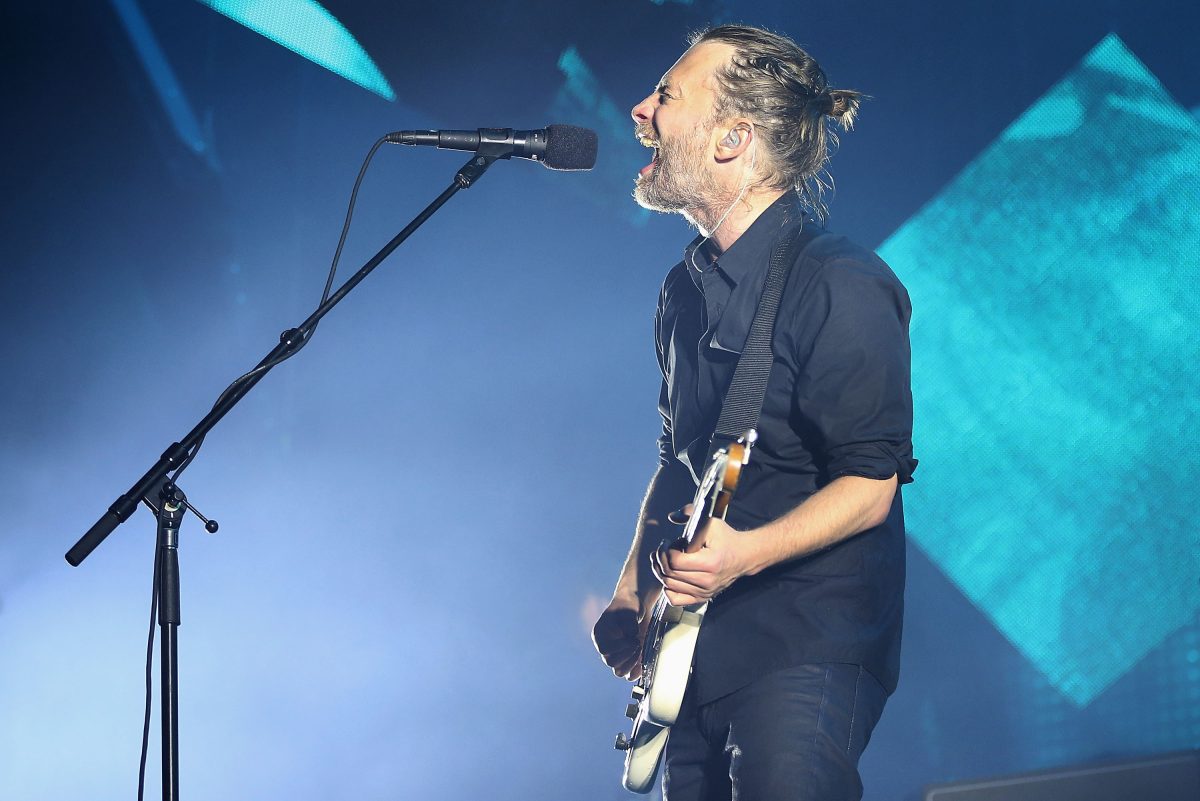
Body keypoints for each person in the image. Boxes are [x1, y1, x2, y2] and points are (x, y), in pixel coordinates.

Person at [592, 24, 917, 801]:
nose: (640, 110)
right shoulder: (682, 292)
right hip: (691, 661)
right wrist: (631, 590)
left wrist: (744, 554)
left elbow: (872, 484)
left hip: (803, 644)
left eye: (666, 96)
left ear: (734, 137)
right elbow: (678, 462)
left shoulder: (840, 282)